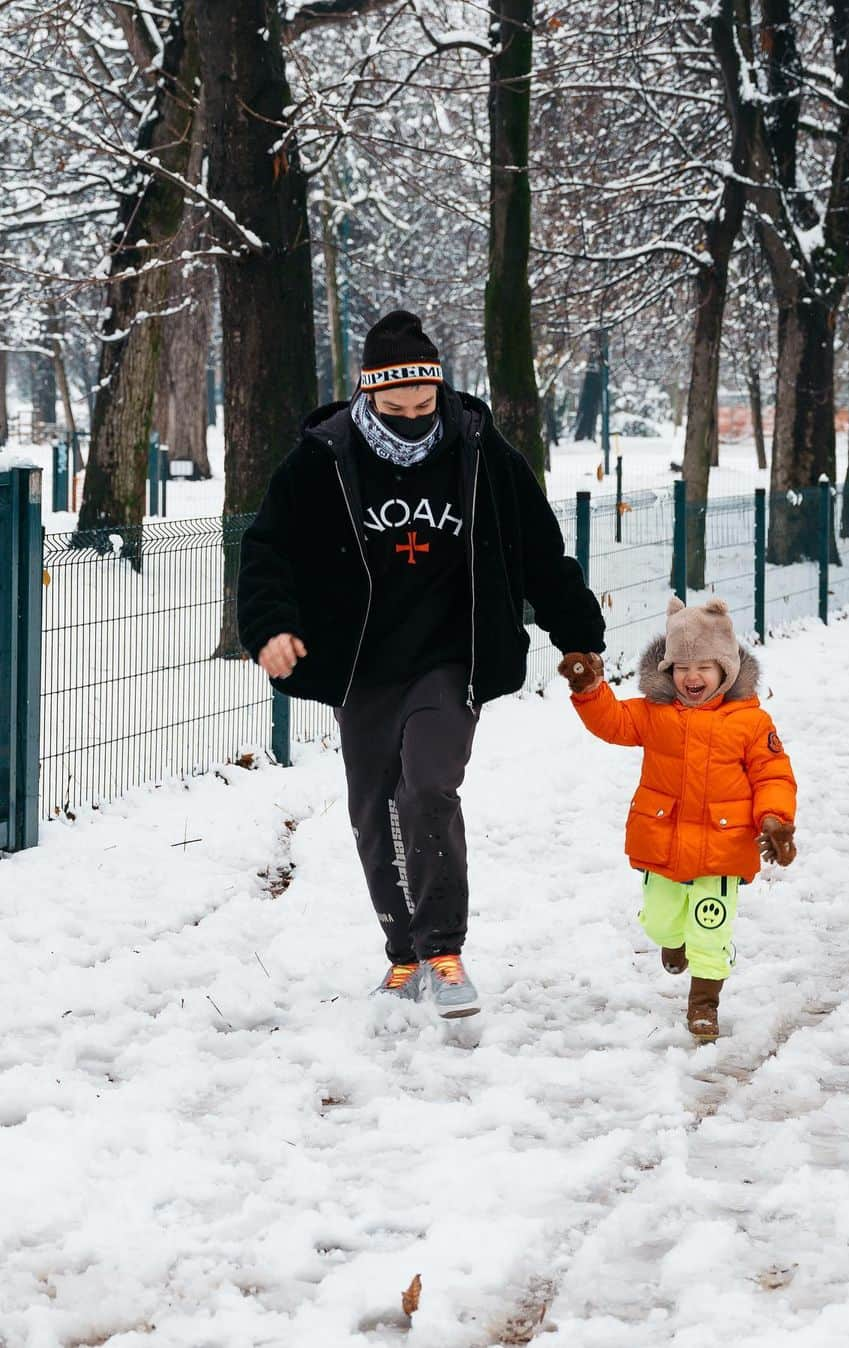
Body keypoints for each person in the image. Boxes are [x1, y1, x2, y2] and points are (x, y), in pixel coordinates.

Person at [237, 311, 604, 1018]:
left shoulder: (478, 449)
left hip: (449, 659)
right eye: (394, 409)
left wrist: (577, 633)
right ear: (367, 398)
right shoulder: (325, 456)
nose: (411, 420)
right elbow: (269, 549)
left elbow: (537, 548)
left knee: (427, 788)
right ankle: (403, 957)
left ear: (440, 388)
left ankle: (445, 949)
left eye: (423, 405)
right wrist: (271, 626)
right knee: (374, 811)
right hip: (363, 666)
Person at [557, 596, 797, 1040]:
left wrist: (776, 821)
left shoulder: (750, 722)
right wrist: (590, 689)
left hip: (723, 848)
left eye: (704, 667)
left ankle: (703, 1005)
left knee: (711, 928)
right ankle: (674, 939)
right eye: (683, 667)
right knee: (660, 920)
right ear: (669, 670)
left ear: (725, 669)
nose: (692, 677)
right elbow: (613, 722)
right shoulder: (655, 714)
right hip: (663, 842)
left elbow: (773, 774)